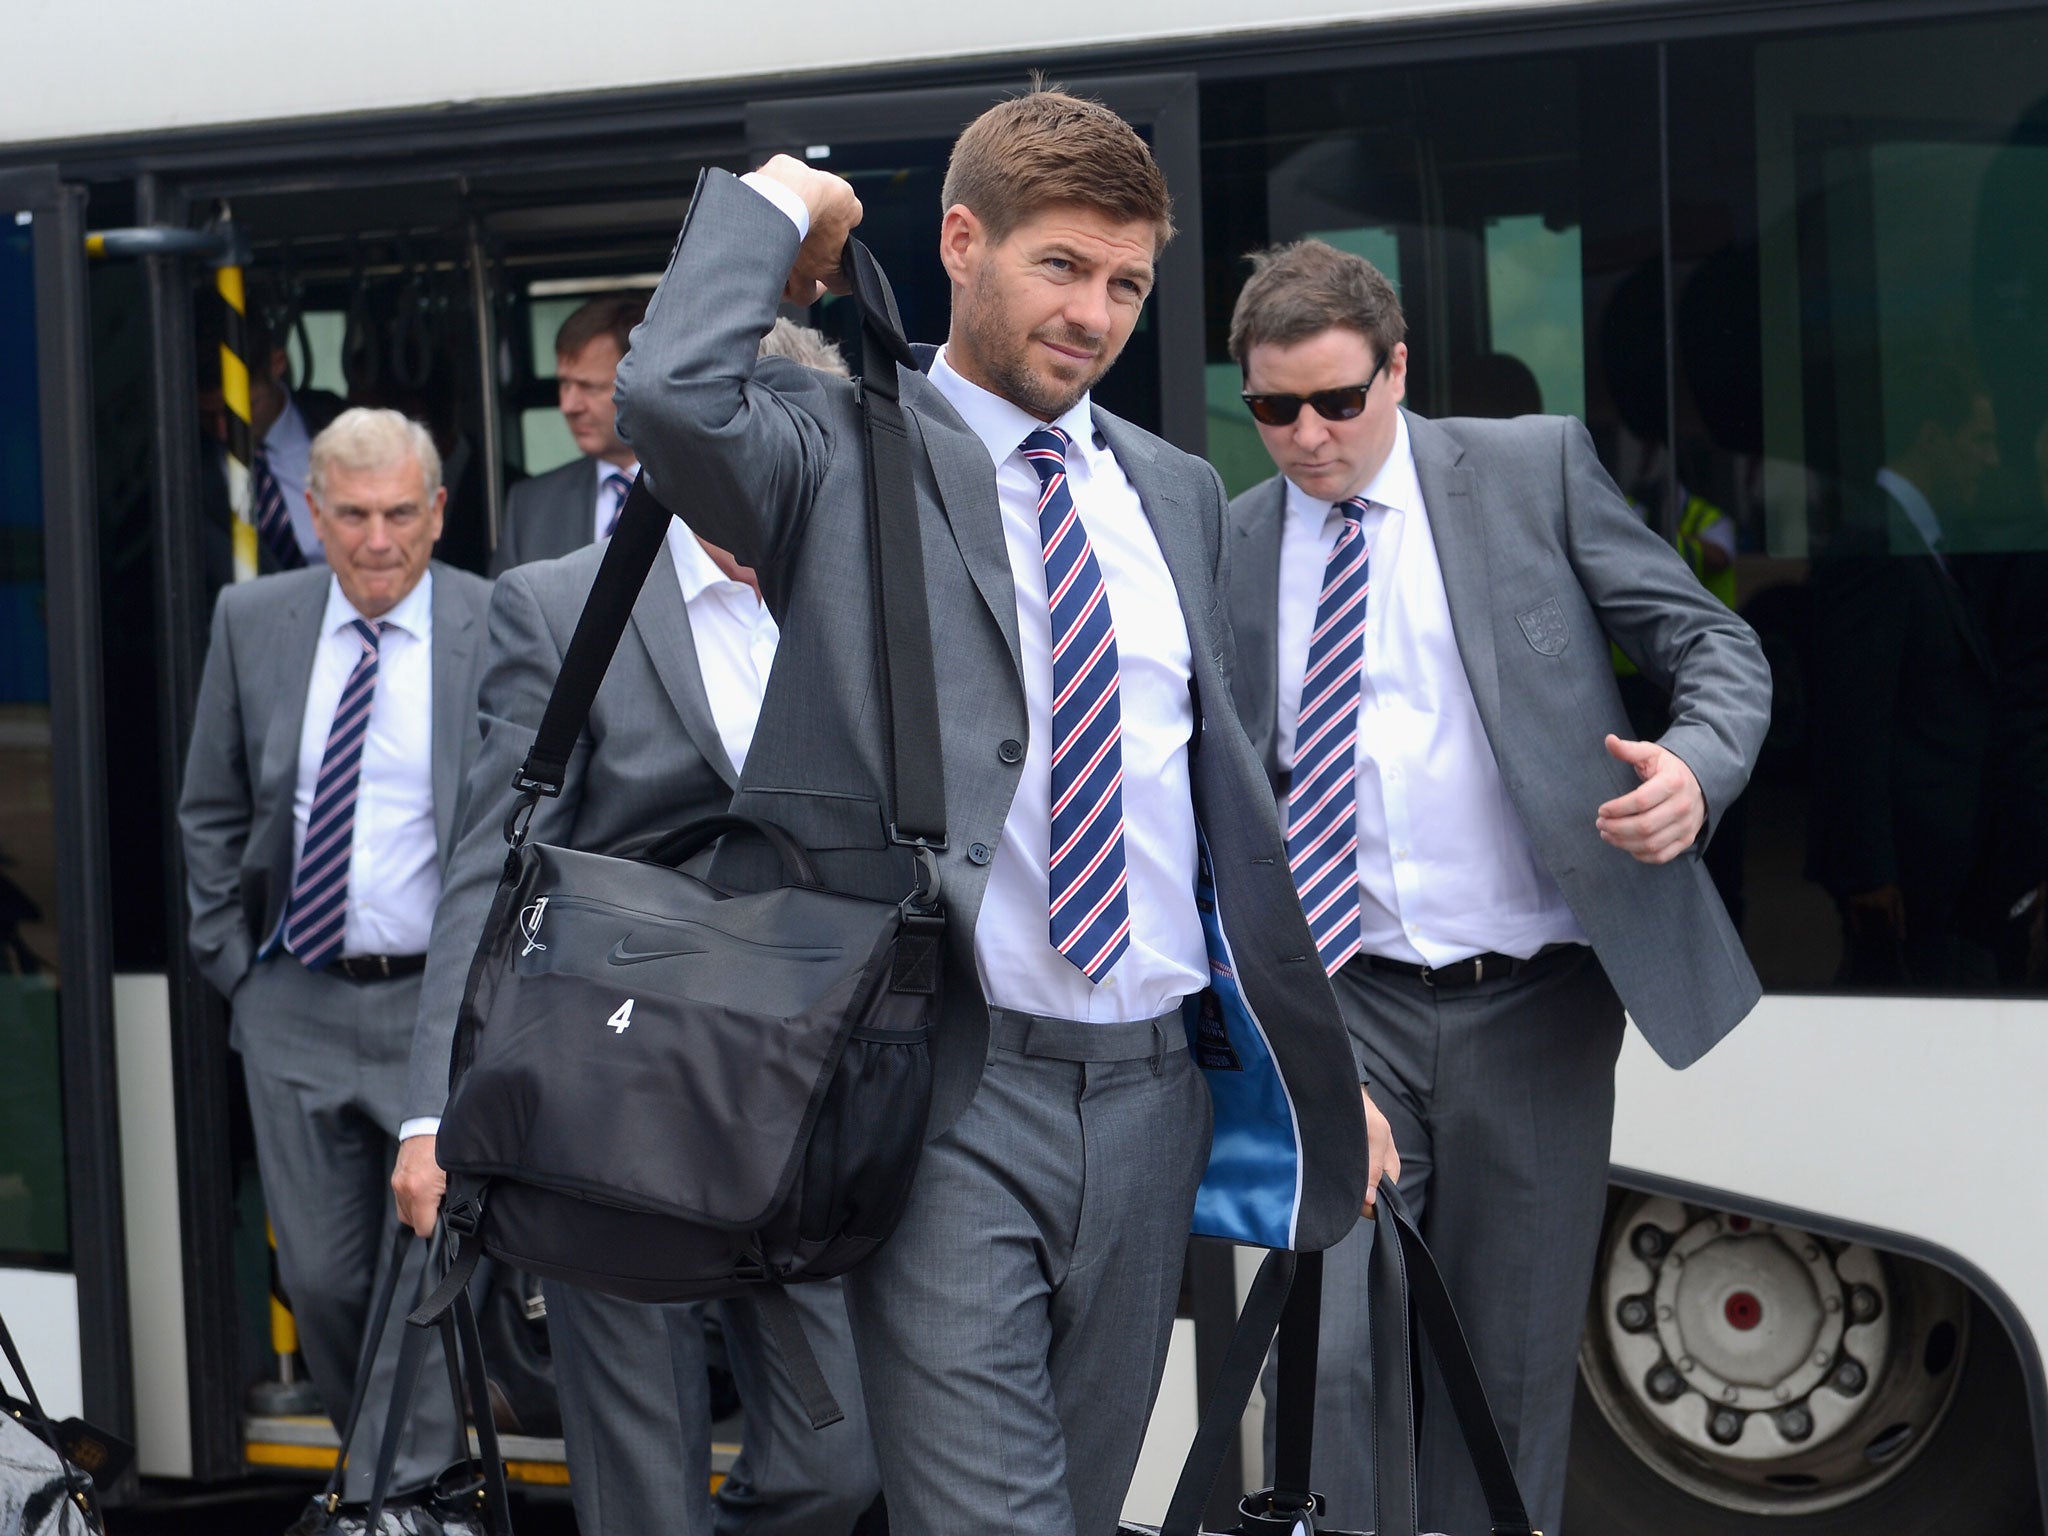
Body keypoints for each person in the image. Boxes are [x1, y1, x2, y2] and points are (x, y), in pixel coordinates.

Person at [610, 89, 1384, 1536]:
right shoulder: (835, 451)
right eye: (1061, 267)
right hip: (954, 1091)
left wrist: (1311, 1068)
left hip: (1155, 1097)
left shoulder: (1173, 488)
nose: (1096, 312)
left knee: (1084, 1515)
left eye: (1127, 283)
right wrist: (784, 195)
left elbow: (1210, 815)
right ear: (962, 243)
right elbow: (665, 400)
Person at [1222, 239, 1771, 1536]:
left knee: (1509, 1372)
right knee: (1332, 1364)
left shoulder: (1533, 472)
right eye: (1272, 410)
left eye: (1337, 402)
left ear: (1398, 370)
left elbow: (1716, 644)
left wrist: (1693, 770)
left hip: (1535, 1006)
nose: (1307, 437)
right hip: (1339, 1007)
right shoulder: (1229, 539)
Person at [393, 325, 880, 1536]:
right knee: (639, 1486)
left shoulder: (879, 605)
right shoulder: (559, 606)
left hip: (803, 1095)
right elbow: (485, 867)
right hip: (606, 1094)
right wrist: (430, 1110)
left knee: (844, 1462)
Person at [177, 408, 494, 1522]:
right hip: (295, 999)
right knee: (320, 1275)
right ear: (312, 515)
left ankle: (394, 1498)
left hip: (435, 1009)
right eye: (351, 516)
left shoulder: (493, 624)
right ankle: (401, 1485)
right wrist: (234, 967)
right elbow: (210, 806)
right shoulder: (252, 619)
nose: (375, 540)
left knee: (422, 1264)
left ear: (437, 513)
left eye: (400, 514)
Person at [1808, 354, 2001, 989]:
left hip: (1936, 879)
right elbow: (1853, 719)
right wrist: (1871, 875)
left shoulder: (1918, 539)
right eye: (1980, 441)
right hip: (1903, 890)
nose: (1992, 462)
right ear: (1931, 439)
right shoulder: (1875, 544)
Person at [489, 293, 647, 576]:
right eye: (564, 384)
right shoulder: (530, 506)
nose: (568, 406)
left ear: (642, 383)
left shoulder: (705, 490)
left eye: (590, 387)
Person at [197, 297, 348, 591]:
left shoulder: (346, 428)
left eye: (242, 409)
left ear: (278, 363)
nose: (223, 431)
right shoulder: (185, 466)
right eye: (207, 414)